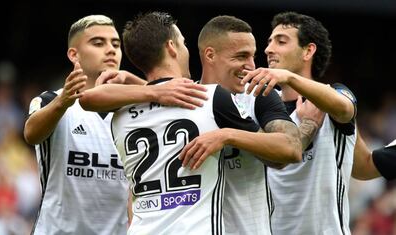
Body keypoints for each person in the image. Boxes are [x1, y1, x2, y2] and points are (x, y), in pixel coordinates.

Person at [88, 11, 302, 234]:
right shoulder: (211, 99)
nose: (251, 65)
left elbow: (88, 98)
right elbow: (290, 149)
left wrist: (142, 86)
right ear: (172, 47)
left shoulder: (120, 113)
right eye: (183, 43)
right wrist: (227, 134)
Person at [23, 14, 208, 235]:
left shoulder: (131, 108)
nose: (110, 50)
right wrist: (62, 102)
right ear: (74, 54)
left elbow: (169, 96)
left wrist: (137, 83)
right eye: (98, 43)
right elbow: (31, 134)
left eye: (116, 44)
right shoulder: (51, 102)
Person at [178, 15, 319, 235]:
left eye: (252, 56)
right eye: (241, 56)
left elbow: (290, 149)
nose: (251, 66)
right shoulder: (185, 99)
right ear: (210, 55)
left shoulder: (258, 95)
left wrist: (226, 135)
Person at [240, 11, 358, 234]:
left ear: (308, 51)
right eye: (269, 42)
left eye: (281, 41)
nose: (268, 49)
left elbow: (345, 108)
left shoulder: (331, 98)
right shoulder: (258, 105)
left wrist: (289, 77)